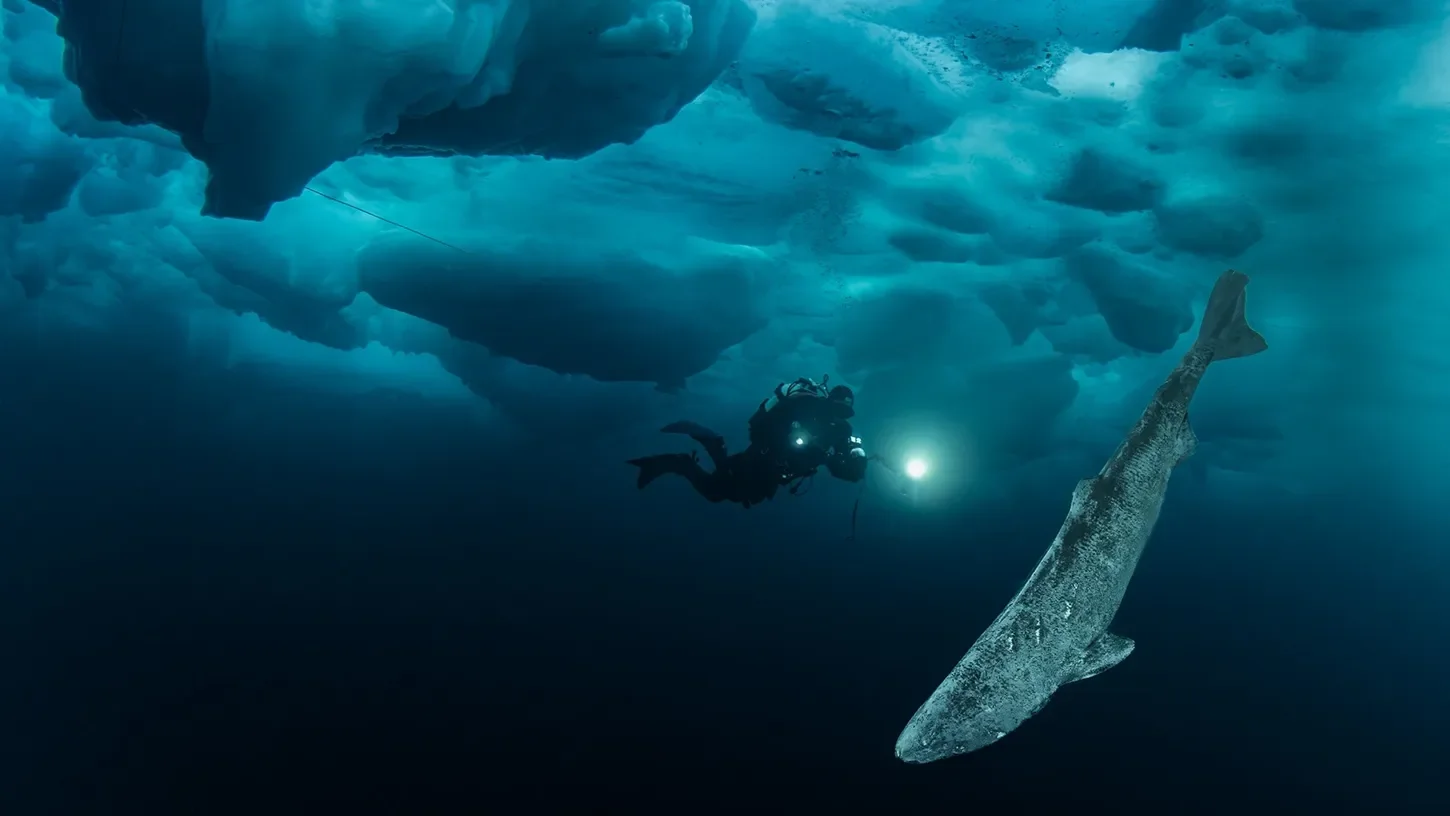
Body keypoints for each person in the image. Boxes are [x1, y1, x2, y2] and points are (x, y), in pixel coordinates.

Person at [627, 376, 868, 508]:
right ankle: (696, 452)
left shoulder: (842, 430)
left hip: (774, 474)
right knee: (717, 490)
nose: (839, 416)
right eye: (837, 408)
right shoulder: (806, 406)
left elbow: (841, 466)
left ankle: (701, 450)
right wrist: (804, 448)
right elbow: (776, 427)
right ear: (828, 402)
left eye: (845, 412)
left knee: (722, 489)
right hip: (764, 459)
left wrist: (856, 466)